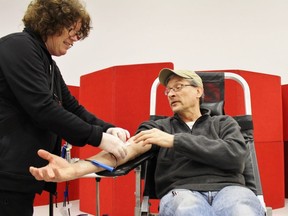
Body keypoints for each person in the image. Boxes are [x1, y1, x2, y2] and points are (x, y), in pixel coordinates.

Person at [30, 68, 265, 216]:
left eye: (178, 87)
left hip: (231, 190)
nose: (171, 94)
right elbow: (122, 152)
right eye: (167, 90)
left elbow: (235, 157)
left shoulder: (225, 123)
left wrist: (174, 141)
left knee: (242, 211)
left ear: (199, 91)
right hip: (182, 192)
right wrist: (73, 170)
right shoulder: (157, 128)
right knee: (189, 211)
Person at [0, 0, 130, 215]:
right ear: (49, 22)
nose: (75, 38)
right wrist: (98, 138)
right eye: (72, 29)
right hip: (5, 176)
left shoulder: (48, 63)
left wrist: (107, 128)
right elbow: (42, 108)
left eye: (78, 33)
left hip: (20, 177)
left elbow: (71, 107)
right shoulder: (18, 46)